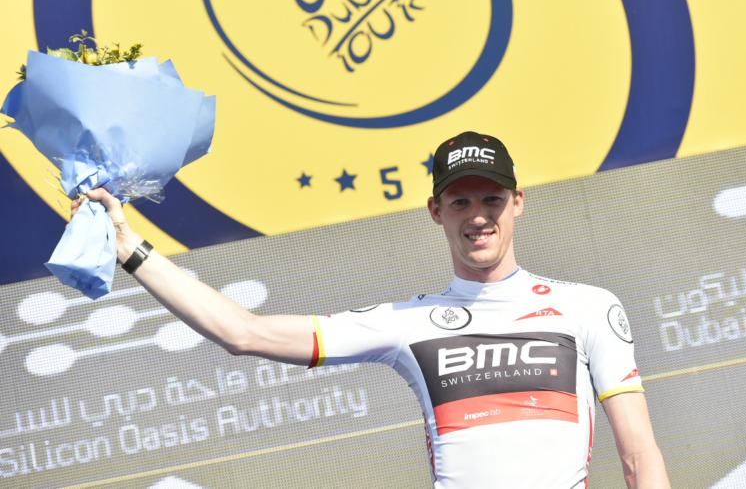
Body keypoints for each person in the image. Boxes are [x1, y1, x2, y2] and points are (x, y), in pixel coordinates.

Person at [79, 131, 670, 488]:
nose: (478, 216)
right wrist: (130, 247)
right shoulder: (408, 323)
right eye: (459, 202)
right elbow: (244, 332)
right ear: (436, 211)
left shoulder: (586, 307)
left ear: (517, 202)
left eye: (491, 199)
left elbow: (639, 456)